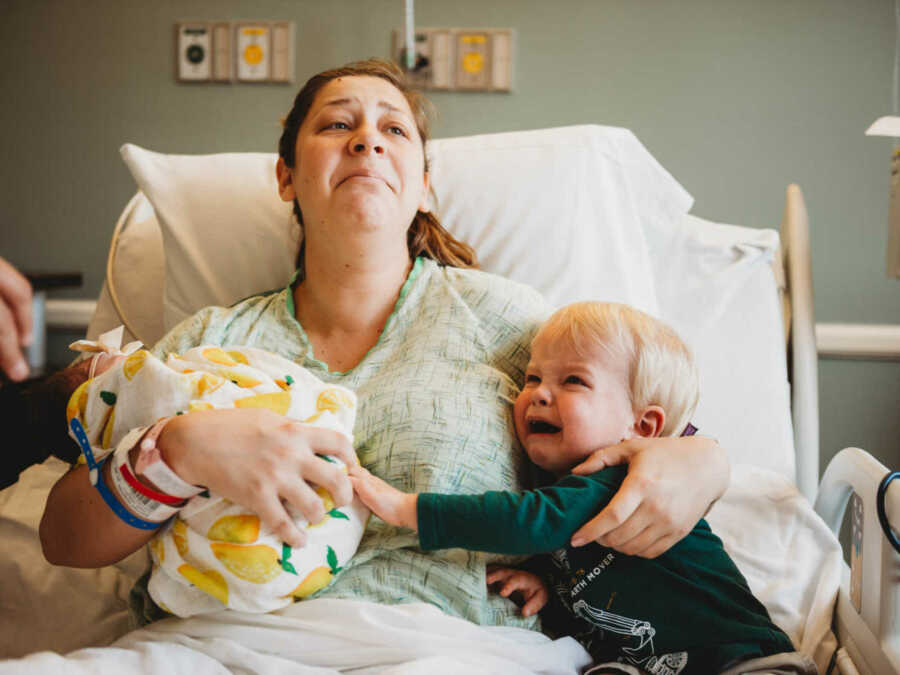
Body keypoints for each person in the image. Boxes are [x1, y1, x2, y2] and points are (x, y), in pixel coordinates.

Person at [38, 58, 729, 641]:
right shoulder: (208, 343)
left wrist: (706, 459)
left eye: (393, 129)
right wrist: (179, 449)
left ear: (424, 185)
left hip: (450, 649)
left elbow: (634, 430)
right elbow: (61, 539)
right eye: (338, 123)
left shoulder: (512, 324)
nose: (367, 140)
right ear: (286, 178)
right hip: (222, 649)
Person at [350, 301, 812, 675]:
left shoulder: (614, 481)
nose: (539, 393)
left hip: (742, 659)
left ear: (642, 427)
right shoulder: (566, 493)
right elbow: (591, 571)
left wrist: (408, 509)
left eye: (573, 380)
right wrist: (551, 587)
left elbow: (532, 519)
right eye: (533, 378)